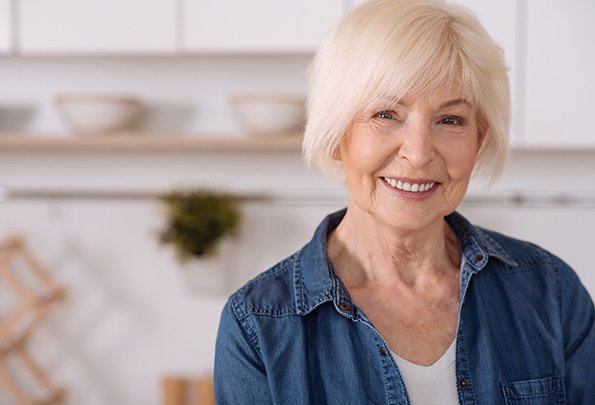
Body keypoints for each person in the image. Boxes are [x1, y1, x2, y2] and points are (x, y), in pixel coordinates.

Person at [214, 0, 595, 403]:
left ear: (478, 139)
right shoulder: (258, 325)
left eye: (450, 120)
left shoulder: (550, 292)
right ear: (336, 133)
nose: (418, 152)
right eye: (386, 114)